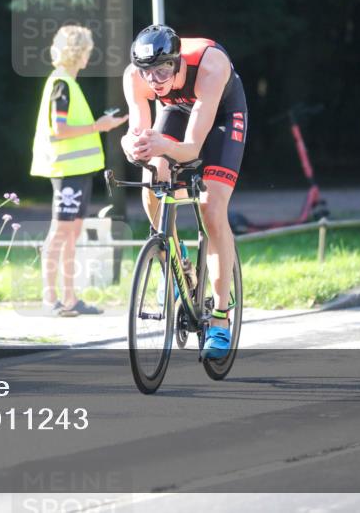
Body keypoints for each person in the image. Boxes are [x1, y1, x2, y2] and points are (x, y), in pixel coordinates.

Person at [120, 24, 247, 358]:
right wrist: (132, 144)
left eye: (163, 70)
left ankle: (220, 318)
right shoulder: (134, 77)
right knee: (152, 181)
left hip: (220, 114)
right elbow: (138, 130)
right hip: (177, 111)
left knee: (211, 206)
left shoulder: (210, 65)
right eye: (148, 73)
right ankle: (180, 263)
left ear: (177, 63)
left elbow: (191, 148)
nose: (155, 80)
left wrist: (162, 144)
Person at [31, 25, 128, 317]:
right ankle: (51, 299)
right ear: (78, 53)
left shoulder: (66, 83)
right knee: (60, 232)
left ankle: (70, 299)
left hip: (78, 170)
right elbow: (59, 130)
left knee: (71, 233)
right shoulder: (61, 84)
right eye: (87, 49)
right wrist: (99, 127)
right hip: (67, 169)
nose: (89, 54)